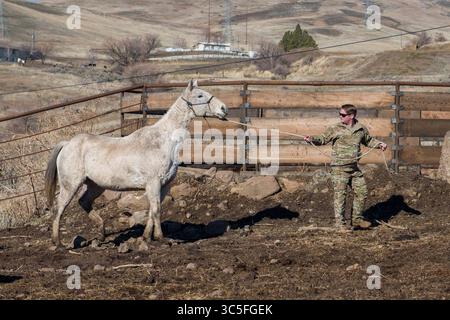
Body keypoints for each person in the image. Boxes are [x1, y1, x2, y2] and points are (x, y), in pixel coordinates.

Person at [304, 104, 388, 231]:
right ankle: (340, 224)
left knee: (362, 192)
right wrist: (312, 139)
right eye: (339, 114)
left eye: (343, 115)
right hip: (339, 168)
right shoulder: (335, 128)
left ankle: (356, 219)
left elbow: (368, 140)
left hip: (353, 168)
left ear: (351, 116)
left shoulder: (360, 128)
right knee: (340, 196)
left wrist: (379, 144)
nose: (340, 117)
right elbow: (323, 139)